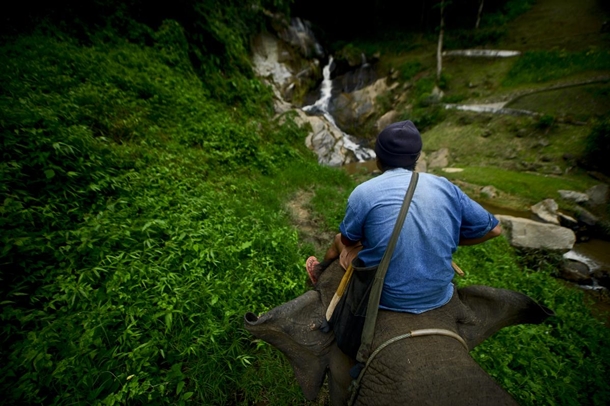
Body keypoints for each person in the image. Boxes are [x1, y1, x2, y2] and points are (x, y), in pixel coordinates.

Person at [306, 120, 501, 314]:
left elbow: (349, 239)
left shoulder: (364, 192)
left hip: (385, 296)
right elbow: (494, 229)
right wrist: (452, 240)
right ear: (416, 158)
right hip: (438, 293)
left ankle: (320, 272)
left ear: (378, 157)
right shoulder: (445, 186)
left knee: (339, 239)